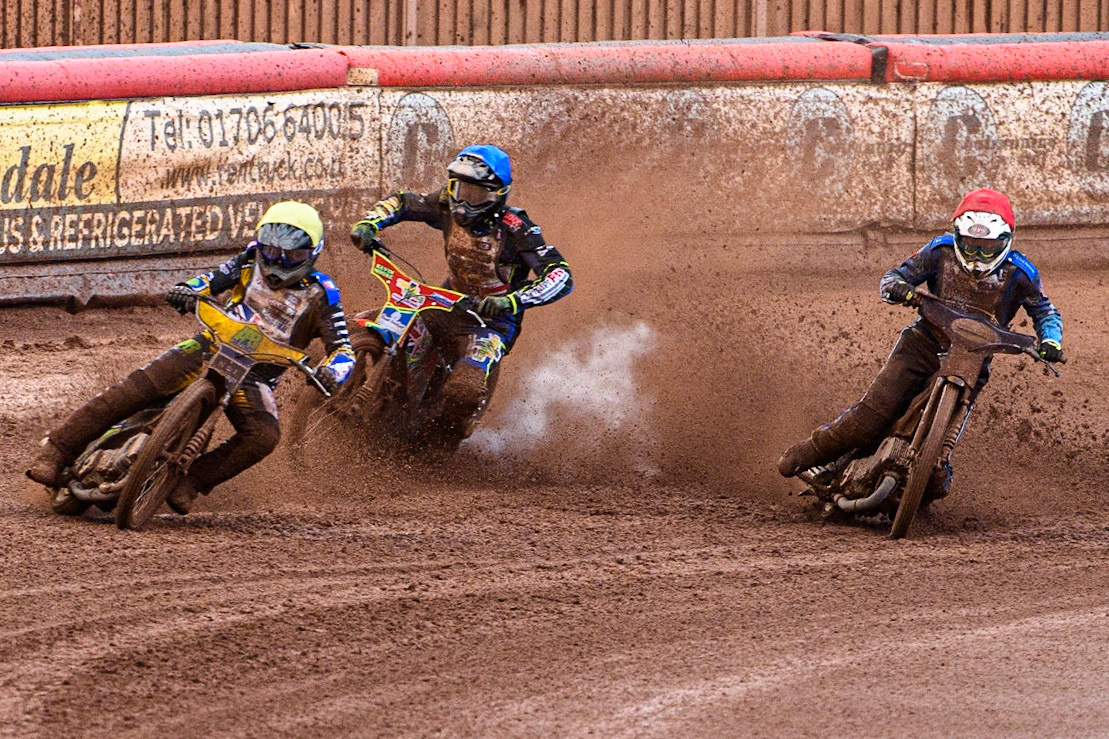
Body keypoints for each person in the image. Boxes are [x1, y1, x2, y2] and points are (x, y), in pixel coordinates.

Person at [27, 201, 356, 514]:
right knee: (138, 386)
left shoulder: (323, 293)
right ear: (261, 243)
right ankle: (57, 450)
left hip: (255, 376)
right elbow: (211, 280)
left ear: (312, 253)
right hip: (211, 346)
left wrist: (331, 372)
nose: (278, 260)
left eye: (291, 254)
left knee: (264, 436)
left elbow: (342, 349)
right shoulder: (250, 258)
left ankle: (192, 482)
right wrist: (189, 289)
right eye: (272, 249)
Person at [777, 188, 1064, 498]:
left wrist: (1051, 339)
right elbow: (893, 277)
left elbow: (1045, 311)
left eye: (986, 248)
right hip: (921, 345)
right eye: (970, 245)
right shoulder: (939, 251)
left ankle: (918, 488)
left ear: (1006, 240)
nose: (978, 255)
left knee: (938, 469)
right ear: (957, 235)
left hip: (973, 359)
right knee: (868, 420)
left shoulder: (1022, 273)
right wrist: (902, 289)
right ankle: (809, 453)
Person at [348, 144, 573, 444]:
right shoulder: (445, 203)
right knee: (366, 323)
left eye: (476, 195)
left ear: (497, 195)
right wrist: (369, 223)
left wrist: (511, 300)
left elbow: (560, 274)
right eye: (460, 189)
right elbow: (402, 202)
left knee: (464, 389)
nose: (464, 203)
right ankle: (339, 384)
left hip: (491, 323)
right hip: (446, 302)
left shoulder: (518, 229)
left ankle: (440, 440)